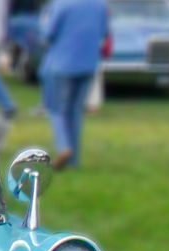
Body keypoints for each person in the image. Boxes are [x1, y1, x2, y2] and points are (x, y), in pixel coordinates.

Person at [39, 0, 109, 170]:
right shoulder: (100, 5)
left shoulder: (62, 4)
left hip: (61, 64)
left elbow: (49, 34)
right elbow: (104, 32)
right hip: (88, 64)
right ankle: (74, 161)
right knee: (76, 111)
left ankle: (64, 147)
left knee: (57, 109)